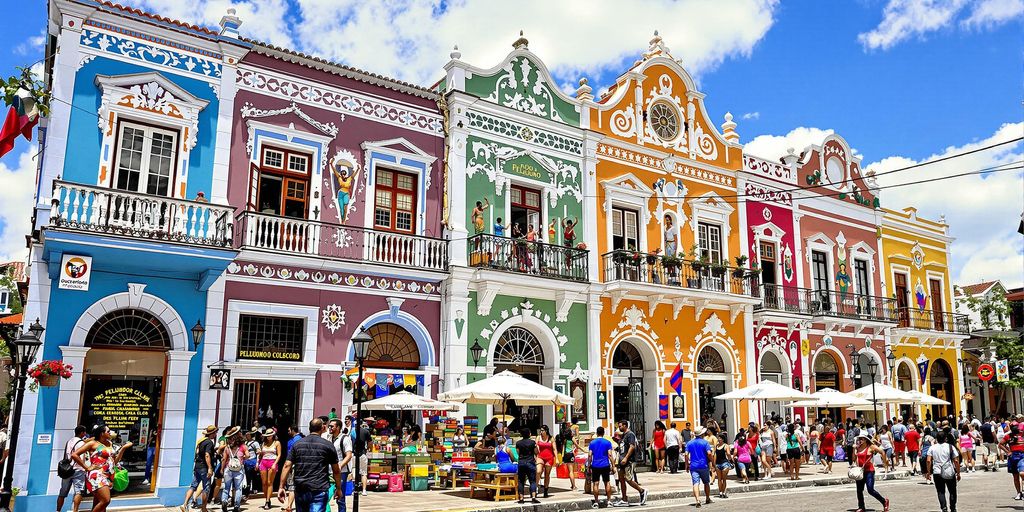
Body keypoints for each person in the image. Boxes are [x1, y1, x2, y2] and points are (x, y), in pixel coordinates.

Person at [277, 418, 342, 512]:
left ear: (309, 428)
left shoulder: (297, 444)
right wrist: (338, 488)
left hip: (301, 487)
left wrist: (281, 487)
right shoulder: (328, 445)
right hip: (319, 488)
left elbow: (287, 465)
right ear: (323, 428)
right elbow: (336, 470)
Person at [72, 425, 132, 512]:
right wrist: (87, 467)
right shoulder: (93, 444)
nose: (110, 433)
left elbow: (114, 461)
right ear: (102, 433)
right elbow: (74, 455)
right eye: (108, 431)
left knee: (99, 504)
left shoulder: (109, 443)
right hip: (97, 475)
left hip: (108, 475)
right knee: (105, 500)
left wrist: (123, 448)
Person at [181, 425, 217, 512]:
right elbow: (207, 455)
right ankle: (203, 508)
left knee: (193, 486)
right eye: (215, 432)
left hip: (197, 466)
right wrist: (210, 468)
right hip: (204, 467)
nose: (216, 434)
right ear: (212, 433)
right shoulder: (209, 442)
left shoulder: (201, 441)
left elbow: (198, 453)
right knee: (206, 488)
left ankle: (184, 504)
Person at [613, 420, 648, 506]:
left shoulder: (630, 435)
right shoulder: (624, 435)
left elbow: (632, 447)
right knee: (621, 480)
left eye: (620, 426)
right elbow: (623, 447)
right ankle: (624, 499)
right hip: (621, 461)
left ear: (625, 426)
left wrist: (626, 458)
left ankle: (642, 491)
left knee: (628, 479)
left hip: (628, 461)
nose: (619, 428)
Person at [852, 434, 890, 512]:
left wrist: (884, 461)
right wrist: (853, 450)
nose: (860, 440)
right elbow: (853, 459)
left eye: (862, 439)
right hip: (860, 472)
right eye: (859, 439)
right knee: (859, 490)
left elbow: (882, 451)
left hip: (869, 471)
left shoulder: (871, 447)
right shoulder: (858, 448)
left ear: (866, 440)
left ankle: (884, 501)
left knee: (870, 489)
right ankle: (861, 507)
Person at [925, 430, 961, 512]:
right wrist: (958, 472)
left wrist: (928, 472)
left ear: (936, 439)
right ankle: (953, 507)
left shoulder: (932, 447)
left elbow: (928, 461)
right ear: (946, 438)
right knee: (952, 490)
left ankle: (944, 508)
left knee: (940, 491)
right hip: (949, 471)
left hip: (937, 472)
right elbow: (956, 461)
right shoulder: (950, 447)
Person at [57, 425, 88, 512]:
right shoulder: (82, 444)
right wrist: (85, 467)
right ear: (82, 433)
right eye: (84, 432)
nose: (85, 434)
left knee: (62, 493)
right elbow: (80, 458)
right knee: (79, 492)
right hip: (78, 469)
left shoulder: (69, 441)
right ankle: (75, 510)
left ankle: (58, 510)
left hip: (67, 469)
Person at [220, 427, 248, 512]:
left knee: (226, 487)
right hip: (238, 469)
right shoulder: (243, 446)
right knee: (238, 488)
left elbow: (224, 459)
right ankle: (236, 506)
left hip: (228, 469)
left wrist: (222, 469)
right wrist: (242, 458)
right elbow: (247, 455)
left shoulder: (227, 447)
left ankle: (224, 501)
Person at [327, 419, 352, 512]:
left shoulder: (345, 438)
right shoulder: (329, 438)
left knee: (340, 498)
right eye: (329, 426)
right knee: (326, 495)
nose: (329, 428)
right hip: (329, 471)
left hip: (342, 472)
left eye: (332, 426)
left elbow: (349, 455)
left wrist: (340, 465)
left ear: (338, 427)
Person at [685, 427, 713, 508]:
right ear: (702, 434)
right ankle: (707, 498)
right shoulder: (705, 443)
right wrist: (712, 462)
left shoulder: (689, 443)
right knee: (706, 483)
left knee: (695, 483)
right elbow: (709, 453)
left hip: (693, 466)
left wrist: (686, 464)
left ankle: (697, 500)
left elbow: (686, 454)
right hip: (704, 465)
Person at [588, 426, 614, 508]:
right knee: (607, 482)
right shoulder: (607, 442)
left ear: (596, 433)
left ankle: (596, 502)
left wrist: (589, 465)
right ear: (603, 433)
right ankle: (609, 501)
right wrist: (613, 465)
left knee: (595, 483)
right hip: (605, 464)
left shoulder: (592, 443)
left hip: (595, 465)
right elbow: (610, 454)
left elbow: (589, 455)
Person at [514, 427, 540, 504]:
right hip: (530, 462)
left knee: (521, 481)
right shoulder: (532, 442)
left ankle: (521, 498)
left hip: (521, 462)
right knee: (532, 481)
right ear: (529, 434)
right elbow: (536, 452)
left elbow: (518, 453)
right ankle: (533, 497)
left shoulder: (518, 443)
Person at [258, 428, 282, 510]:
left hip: (272, 462)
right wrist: (258, 463)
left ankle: (267, 501)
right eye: (267, 436)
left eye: (270, 435)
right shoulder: (263, 443)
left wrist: (275, 464)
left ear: (273, 435)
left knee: (269, 482)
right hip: (263, 462)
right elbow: (261, 455)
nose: (268, 437)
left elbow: (279, 455)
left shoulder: (277, 443)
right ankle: (266, 498)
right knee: (264, 483)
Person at [999, 423, 1024, 500]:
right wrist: (1008, 452)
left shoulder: (1022, 435)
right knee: (1015, 476)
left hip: (1022, 456)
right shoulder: (1008, 436)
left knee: (1022, 473)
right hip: (1012, 457)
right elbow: (1000, 444)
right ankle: (1019, 493)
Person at [555, 422, 578, 491]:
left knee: (569, 471)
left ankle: (572, 485)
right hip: (570, 453)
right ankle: (574, 486)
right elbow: (577, 446)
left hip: (565, 454)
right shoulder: (572, 438)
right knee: (571, 471)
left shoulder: (563, 439)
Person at [536, 425, 556, 497]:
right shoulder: (538, 437)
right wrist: (535, 456)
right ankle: (535, 487)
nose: (541, 432)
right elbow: (535, 447)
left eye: (542, 430)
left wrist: (556, 458)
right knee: (538, 471)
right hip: (540, 457)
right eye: (540, 430)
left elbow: (554, 449)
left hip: (549, 458)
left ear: (546, 431)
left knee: (547, 474)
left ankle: (545, 490)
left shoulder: (551, 438)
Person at [713, 432, 732, 498]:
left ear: (723, 439)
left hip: (724, 463)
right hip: (718, 464)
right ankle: (721, 492)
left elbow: (728, 454)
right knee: (719, 479)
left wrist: (731, 461)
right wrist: (714, 464)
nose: (718, 439)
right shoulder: (716, 446)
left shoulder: (726, 446)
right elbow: (715, 455)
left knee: (723, 479)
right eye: (718, 438)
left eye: (720, 438)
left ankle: (723, 492)